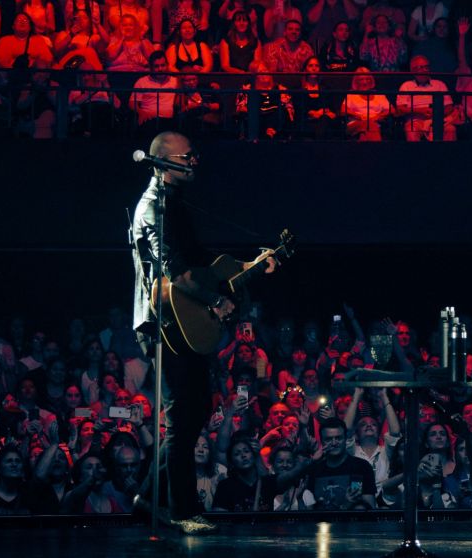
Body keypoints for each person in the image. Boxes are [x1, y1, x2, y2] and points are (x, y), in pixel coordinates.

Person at [130, 131, 277, 534]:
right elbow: (173, 271)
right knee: (184, 415)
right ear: (165, 162)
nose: (196, 162)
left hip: (182, 320)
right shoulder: (154, 207)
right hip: (165, 323)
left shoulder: (175, 205)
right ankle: (181, 509)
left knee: (194, 412)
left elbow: (201, 268)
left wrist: (248, 266)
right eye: (188, 156)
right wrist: (214, 303)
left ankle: (148, 496)